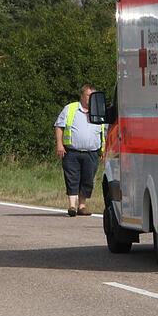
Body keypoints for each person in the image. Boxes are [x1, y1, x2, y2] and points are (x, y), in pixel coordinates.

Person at [54, 84, 104, 217]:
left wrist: (104, 150)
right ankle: (72, 206)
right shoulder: (70, 109)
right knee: (72, 178)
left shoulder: (99, 110)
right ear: (82, 96)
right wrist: (59, 144)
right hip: (72, 151)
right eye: (88, 95)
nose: (90, 99)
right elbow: (59, 126)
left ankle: (82, 206)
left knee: (88, 179)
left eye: (93, 96)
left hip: (91, 152)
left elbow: (104, 132)